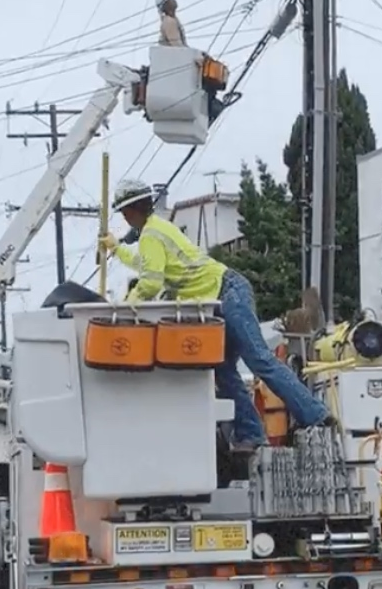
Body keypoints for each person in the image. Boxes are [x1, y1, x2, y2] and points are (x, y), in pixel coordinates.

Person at [98, 178, 331, 451]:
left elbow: (150, 282)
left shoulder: (151, 234)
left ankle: (315, 415)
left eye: (124, 211)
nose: (124, 217)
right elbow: (147, 265)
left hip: (227, 293)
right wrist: (116, 249)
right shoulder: (156, 230)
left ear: (133, 209)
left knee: (259, 360)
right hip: (222, 298)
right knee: (222, 369)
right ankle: (251, 434)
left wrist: (127, 308)